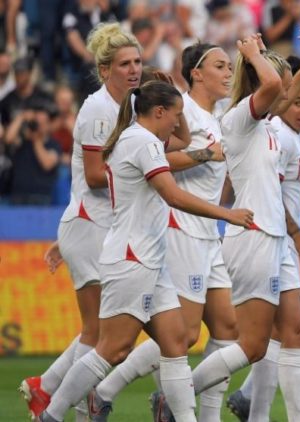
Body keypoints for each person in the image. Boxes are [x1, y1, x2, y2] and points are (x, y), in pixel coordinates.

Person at [36, 80, 254, 422]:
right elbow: (174, 195)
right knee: (113, 349)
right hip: (131, 259)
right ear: (159, 112)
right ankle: (51, 414)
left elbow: (181, 139)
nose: (179, 123)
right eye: (175, 115)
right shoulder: (141, 142)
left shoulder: (144, 139)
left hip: (152, 259)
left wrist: (173, 98)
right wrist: (228, 213)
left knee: (176, 344)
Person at [84, 43, 237, 422]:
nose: (229, 73)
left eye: (231, 66)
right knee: (180, 337)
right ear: (196, 73)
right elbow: (156, 158)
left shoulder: (214, 117)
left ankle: (197, 410)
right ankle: (105, 391)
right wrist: (205, 155)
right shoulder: (180, 112)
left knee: (228, 327)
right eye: (221, 66)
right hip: (180, 228)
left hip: (208, 232)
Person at [19, 22, 144, 421]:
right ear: (105, 70)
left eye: (138, 61)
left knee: (104, 332)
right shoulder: (98, 109)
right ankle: (62, 407)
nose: (134, 69)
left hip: (98, 226)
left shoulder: (131, 107)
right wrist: (146, 175)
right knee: (100, 333)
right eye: (124, 63)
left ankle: (47, 389)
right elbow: (93, 175)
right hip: (92, 225)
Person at [183, 34, 298, 405]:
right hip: (253, 235)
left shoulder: (265, 127)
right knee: (251, 345)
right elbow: (274, 84)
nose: (288, 93)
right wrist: (251, 54)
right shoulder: (238, 121)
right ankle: (175, 399)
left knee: (253, 344)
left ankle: (178, 401)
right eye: (281, 84)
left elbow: (280, 84)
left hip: (269, 236)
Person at [226, 54, 300, 422]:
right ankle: (181, 392)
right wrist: (298, 235)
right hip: (269, 238)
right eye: (298, 101)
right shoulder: (277, 135)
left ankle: (254, 406)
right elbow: (272, 194)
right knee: (277, 335)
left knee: (285, 333)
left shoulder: (283, 136)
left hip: (276, 239)